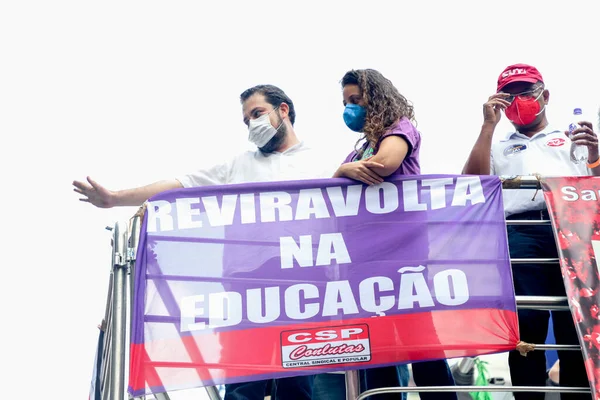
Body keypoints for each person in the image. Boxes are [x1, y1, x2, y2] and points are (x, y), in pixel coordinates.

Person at [73, 84, 336, 400]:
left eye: (258, 114)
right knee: (243, 381)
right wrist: (115, 199)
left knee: (297, 383)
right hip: (247, 285)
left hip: (304, 283)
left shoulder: (324, 165)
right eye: (246, 120)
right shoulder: (238, 165)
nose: (252, 124)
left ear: (283, 111)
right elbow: (178, 185)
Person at [315, 68, 458, 400]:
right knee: (376, 349)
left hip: (402, 256)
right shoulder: (359, 150)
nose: (350, 108)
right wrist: (343, 170)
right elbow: (334, 191)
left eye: (356, 100)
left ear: (375, 98)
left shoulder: (400, 129)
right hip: (365, 262)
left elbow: (386, 164)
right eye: (346, 102)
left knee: (420, 343)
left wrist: (341, 172)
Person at [462, 63, 598, 399]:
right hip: (520, 231)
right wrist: (488, 125)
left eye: (525, 93)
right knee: (527, 325)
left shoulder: (571, 137)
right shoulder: (494, 142)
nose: (518, 101)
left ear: (545, 96)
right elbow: (471, 184)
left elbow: (595, 184)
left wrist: (595, 155)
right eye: (509, 96)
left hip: (570, 229)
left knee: (576, 324)